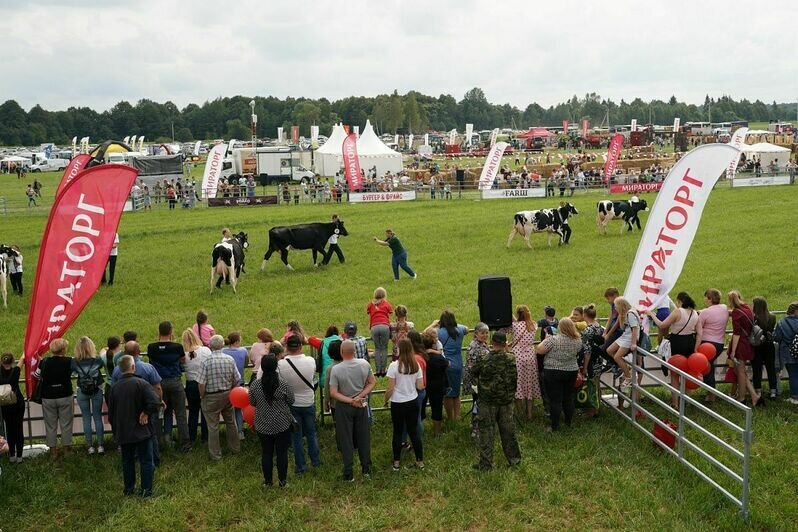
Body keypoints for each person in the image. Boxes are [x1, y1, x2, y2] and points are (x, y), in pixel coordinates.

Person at [108, 355, 160, 497]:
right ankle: (146, 490)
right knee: (146, 461)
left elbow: (111, 412)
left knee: (127, 462)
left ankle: (129, 489)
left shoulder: (115, 387)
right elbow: (155, 401)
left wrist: (115, 431)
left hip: (123, 431)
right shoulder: (141, 383)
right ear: (133, 367)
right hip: (141, 430)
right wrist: (146, 412)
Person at [470, 331, 521, 471]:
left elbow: (473, 371)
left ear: (492, 343)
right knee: (508, 431)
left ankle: (486, 464)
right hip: (506, 400)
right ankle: (514, 460)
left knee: (486, 431)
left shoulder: (484, 359)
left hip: (488, 401)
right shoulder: (511, 358)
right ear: (505, 343)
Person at [329, 340, 376, 481]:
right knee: (363, 437)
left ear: (342, 352)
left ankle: (348, 472)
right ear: (354, 350)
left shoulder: (336, 369)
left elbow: (333, 392)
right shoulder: (364, 364)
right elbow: (372, 382)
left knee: (346, 439)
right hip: (361, 404)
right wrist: (360, 396)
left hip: (344, 406)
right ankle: (366, 468)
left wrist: (350, 400)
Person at [112, 341, 164, 466]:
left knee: (131, 433)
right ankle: (154, 459)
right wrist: (159, 401)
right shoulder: (148, 367)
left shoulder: (118, 370)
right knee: (151, 433)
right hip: (147, 407)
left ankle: (134, 458)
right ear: (139, 352)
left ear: (124, 353)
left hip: (127, 407)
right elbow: (157, 387)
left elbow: (114, 389)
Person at [249, 356, 295, 487]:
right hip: (282, 424)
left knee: (266, 452)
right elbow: (291, 400)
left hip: (262, 424)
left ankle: (268, 481)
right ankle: (282, 481)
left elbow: (252, 402)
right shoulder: (283, 384)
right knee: (282, 453)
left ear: (262, 367)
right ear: (276, 366)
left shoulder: (255, 385)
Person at [278, 335, 321, 474]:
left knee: (296, 436)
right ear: (301, 346)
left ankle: (301, 466)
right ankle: (315, 460)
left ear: (287, 348)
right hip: (308, 401)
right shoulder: (310, 361)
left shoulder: (282, 364)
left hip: (292, 403)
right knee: (311, 433)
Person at [147, 321, 191, 452]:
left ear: (159, 332)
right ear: (171, 332)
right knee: (181, 414)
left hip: (158, 384)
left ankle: (158, 444)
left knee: (158, 413)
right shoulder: (177, 347)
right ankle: (185, 445)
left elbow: (151, 361)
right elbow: (183, 360)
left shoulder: (152, 347)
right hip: (175, 382)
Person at [198, 335, 241, 460]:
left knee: (213, 426)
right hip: (227, 394)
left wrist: (202, 395)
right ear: (223, 345)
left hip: (211, 396)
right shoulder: (229, 359)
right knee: (231, 422)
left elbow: (201, 383)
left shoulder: (206, 361)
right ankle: (235, 448)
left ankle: (216, 454)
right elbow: (237, 379)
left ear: (210, 346)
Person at [384, 339, 425, 471]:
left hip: (397, 403)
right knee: (413, 432)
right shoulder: (416, 365)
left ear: (399, 350)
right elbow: (420, 386)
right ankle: (420, 461)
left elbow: (390, 388)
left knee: (397, 432)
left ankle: (396, 462)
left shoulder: (394, 366)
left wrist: (386, 400)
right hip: (412, 401)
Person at [536, 318, 584, 431]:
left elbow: (539, 350)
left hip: (553, 371)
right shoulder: (578, 340)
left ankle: (555, 426)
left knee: (555, 400)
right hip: (571, 370)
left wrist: (546, 339)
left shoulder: (553, 340)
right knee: (568, 397)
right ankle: (568, 422)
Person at [34, 338, 74, 460]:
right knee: (66, 424)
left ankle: (53, 452)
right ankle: (67, 450)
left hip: (48, 397)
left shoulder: (45, 362)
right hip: (65, 395)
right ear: (63, 350)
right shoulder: (69, 361)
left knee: (50, 425)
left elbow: (36, 375)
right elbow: (74, 373)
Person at [71, 336, 106, 454]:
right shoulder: (97, 360)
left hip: (82, 390)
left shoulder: (75, 361)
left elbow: (72, 371)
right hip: (96, 389)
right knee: (97, 417)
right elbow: (101, 365)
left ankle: (90, 446)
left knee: (86, 418)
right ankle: (101, 445)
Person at [433, 310, 469, 423]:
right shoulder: (460, 329)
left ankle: (450, 418)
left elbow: (425, 334)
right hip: (458, 363)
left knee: (448, 394)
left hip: (446, 364)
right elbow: (467, 329)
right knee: (456, 393)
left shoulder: (440, 332)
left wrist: (434, 324)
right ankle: (457, 416)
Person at [695, 288, 729, 403]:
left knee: (707, 369)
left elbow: (699, 330)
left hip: (706, 344)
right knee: (710, 367)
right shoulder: (724, 308)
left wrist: (696, 347)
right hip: (719, 344)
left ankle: (711, 395)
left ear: (709, 299)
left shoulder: (705, 313)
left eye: (706, 297)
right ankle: (711, 393)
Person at [728, 291, 761, 406]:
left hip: (740, 344)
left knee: (740, 371)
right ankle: (753, 396)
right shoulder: (747, 308)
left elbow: (736, 333)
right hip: (748, 342)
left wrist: (732, 351)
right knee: (740, 371)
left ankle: (742, 398)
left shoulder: (737, 313)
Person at [509, 305, 541, 422]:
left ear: (517, 314)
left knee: (519, 384)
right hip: (530, 357)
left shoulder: (515, 326)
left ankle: (520, 414)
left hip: (517, 357)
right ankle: (530, 415)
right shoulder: (534, 325)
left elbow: (512, 326)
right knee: (529, 383)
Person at [182, 328, 210, 444]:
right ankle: (205, 436)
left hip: (191, 383)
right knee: (205, 410)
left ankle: (192, 437)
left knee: (193, 411)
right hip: (204, 381)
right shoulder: (206, 350)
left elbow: (183, 367)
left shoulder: (184, 355)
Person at [606, 297, 640, 392]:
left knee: (617, 357)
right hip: (626, 335)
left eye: (616, 306)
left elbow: (635, 329)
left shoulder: (630, 314)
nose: (615, 309)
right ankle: (626, 367)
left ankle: (628, 377)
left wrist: (633, 343)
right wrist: (620, 317)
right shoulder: (624, 314)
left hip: (629, 338)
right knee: (609, 350)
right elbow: (623, 327)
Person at [463, 323, 489, 437]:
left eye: (486, 333)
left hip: (482, 380)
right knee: (477, 404)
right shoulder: (475, 347)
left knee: (479, 403)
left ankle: (479, 425)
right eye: (482, 333)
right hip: (476, 381)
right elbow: (472, 367)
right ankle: (475, 429)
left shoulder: (482, 344)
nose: (485, 335)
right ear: (476, 334)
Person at [579, 305, 605, 417]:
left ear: (585, 315)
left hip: (591, 361)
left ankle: (592, 411)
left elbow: (587, 351)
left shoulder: (587, 330)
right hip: (599, 359)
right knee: (597, 384)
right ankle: (598, 407)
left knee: (591, 385)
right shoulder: (599, 327)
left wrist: (585, 367)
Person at [223, 332, 248, 439]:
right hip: (239, 382)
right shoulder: (243, 351)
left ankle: (231, 433)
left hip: (227, 383)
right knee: (238, 408)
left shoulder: (224, 351)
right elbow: (246, 364)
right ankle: (240, 432)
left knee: (229, 409)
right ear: (237, 341)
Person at [751, 296, 777, 400]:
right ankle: (773, 392)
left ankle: (758, 391)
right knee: (771, 369)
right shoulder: (772, 317)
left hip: (757, 346)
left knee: (757, 369)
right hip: (769, 345)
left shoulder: (754, 318)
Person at [0, 353, 25, 463]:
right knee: (18, 429)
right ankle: (19, 456)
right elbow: (22, 360)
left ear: (1, 362)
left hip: (5, 405)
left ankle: (11, 455)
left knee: (9, 429)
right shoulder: (15, 371)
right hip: (17, 404)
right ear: (12, 362)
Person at [423, 331, 449, 436]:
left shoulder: (421, 357)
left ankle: (420, 430)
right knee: (437, 407)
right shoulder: (438, 357)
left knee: (421, 406)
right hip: (438, 385)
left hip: (424, 384)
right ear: (433, 344)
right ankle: (437, 431)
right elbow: (447, 364)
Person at [774, 302, 798, 404]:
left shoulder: (781, 323)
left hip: (788, 353)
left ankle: (795, 397)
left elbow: (777, 338)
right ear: (795, 311)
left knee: (793, 374)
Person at [366, 287, 393, 377]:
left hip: (374, 327)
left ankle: (377, 370)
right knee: (384, 348)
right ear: (384, 295)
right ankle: (383, 369)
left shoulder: (370, 304)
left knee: (377, 348)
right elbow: (390, 311)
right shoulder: (386, 303)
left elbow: (368, 311)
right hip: (385, 326)